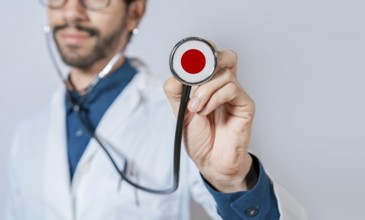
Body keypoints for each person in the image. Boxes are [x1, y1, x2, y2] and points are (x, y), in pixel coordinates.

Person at [6, 0, 307, 219]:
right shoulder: (27, 135)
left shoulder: (189, 117)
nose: (71, 11)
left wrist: (231, 181)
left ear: (134, 12)